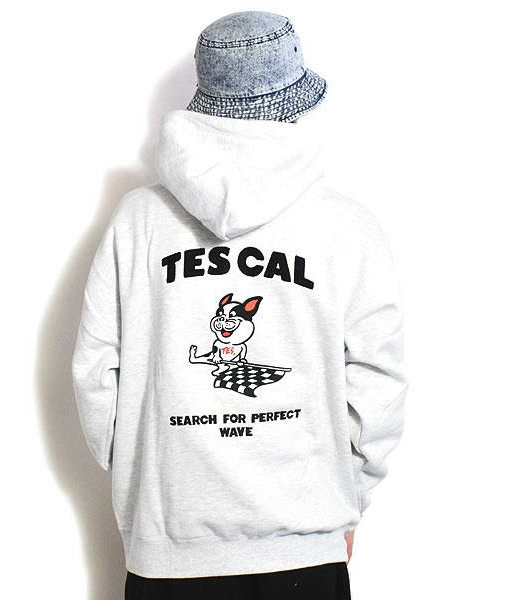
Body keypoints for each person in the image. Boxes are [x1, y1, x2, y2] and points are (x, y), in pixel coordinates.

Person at [71, 10, 408, 600]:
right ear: (294, 106)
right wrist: (347, 498)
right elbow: (380, 378)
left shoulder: (138, 221)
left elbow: (95, 370)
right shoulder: (346, 226)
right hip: (304, 545)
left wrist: (141, 483)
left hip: (168, 548)